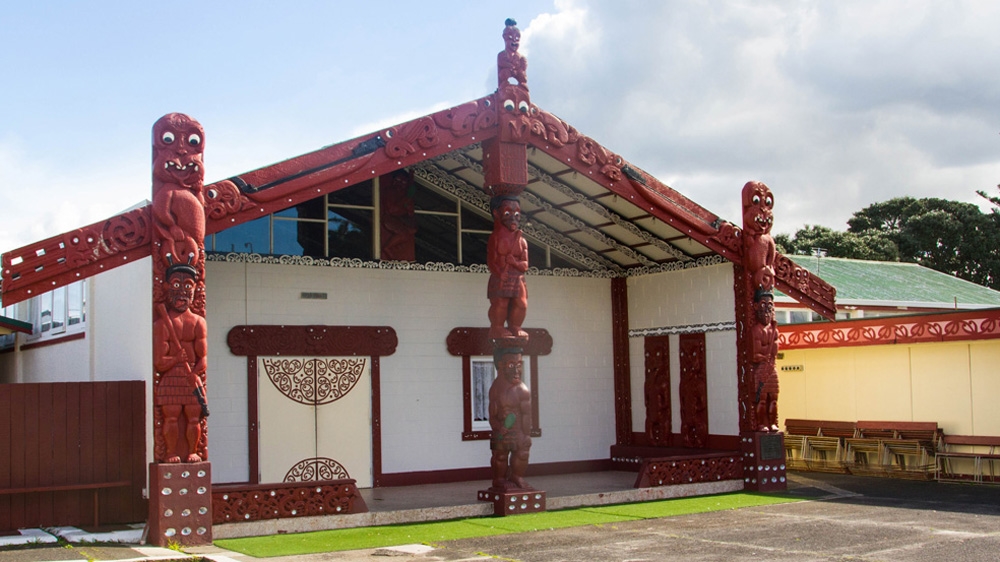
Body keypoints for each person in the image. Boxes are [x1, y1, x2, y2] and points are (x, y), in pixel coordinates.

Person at [154, 262, 209, 463]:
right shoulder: (162, 324)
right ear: (167, 287)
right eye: (177, 285)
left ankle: (193, 451)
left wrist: (195, 372)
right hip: (171, 378)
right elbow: (160, 362)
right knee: (171, 416)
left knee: (194, 417)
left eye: (188, 286)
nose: (182, 292)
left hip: (191, 377)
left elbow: (203, 357)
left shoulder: (198, 322)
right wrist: (177, 359)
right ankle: (170, 452)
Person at [489, 348, 533, 490]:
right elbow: (492, 415)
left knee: (523, 452)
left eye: (519, 365)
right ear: (501, 366)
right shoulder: (495, 388)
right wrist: (497, 426)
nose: (516, 371)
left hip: (519, 429)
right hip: (502, 430)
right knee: (500, 455)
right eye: (511, 365)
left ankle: (517, 476)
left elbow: (526, 414)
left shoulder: (522, 390)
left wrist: (526, 434)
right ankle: (499, 480)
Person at [487, 197, 529, 340]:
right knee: (501, 303)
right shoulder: (495, 237)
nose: (513, 218)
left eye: (517, 214)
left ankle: (515, 326)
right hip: (501, 277)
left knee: (522, 304)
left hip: (517, 278)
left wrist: (515, 263)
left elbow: (525, 265)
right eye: (507, 213)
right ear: (497, 214)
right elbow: (491, 262)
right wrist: (499, 274)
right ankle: (497, 327)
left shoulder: (522, 240)